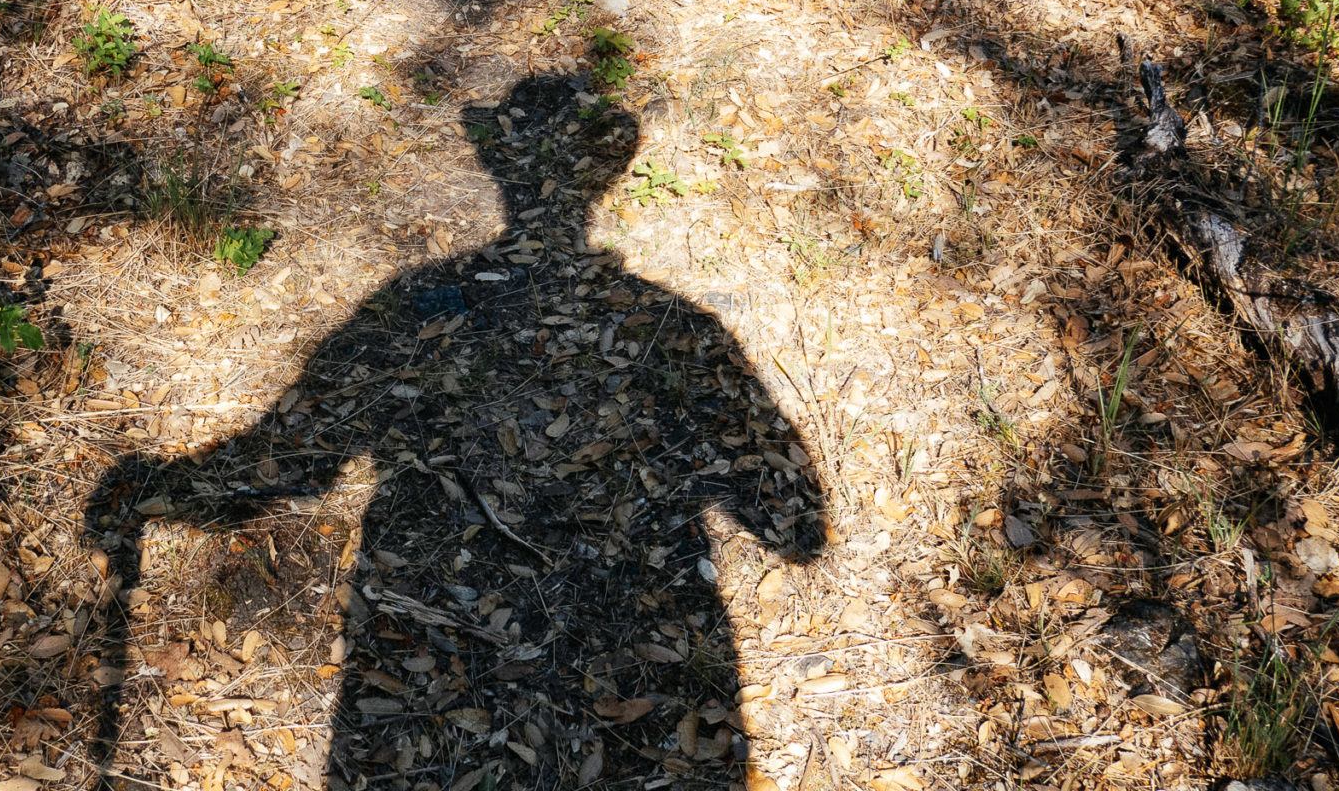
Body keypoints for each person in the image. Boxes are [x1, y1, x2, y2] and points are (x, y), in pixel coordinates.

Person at [85, 76, 828, 791]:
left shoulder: (413, 308)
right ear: (609, 175)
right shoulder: (682, 331)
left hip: (429, 678)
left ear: (496, 164)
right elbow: (797, 529)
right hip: (646, 710)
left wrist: (161, 490)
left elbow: (293, 456)